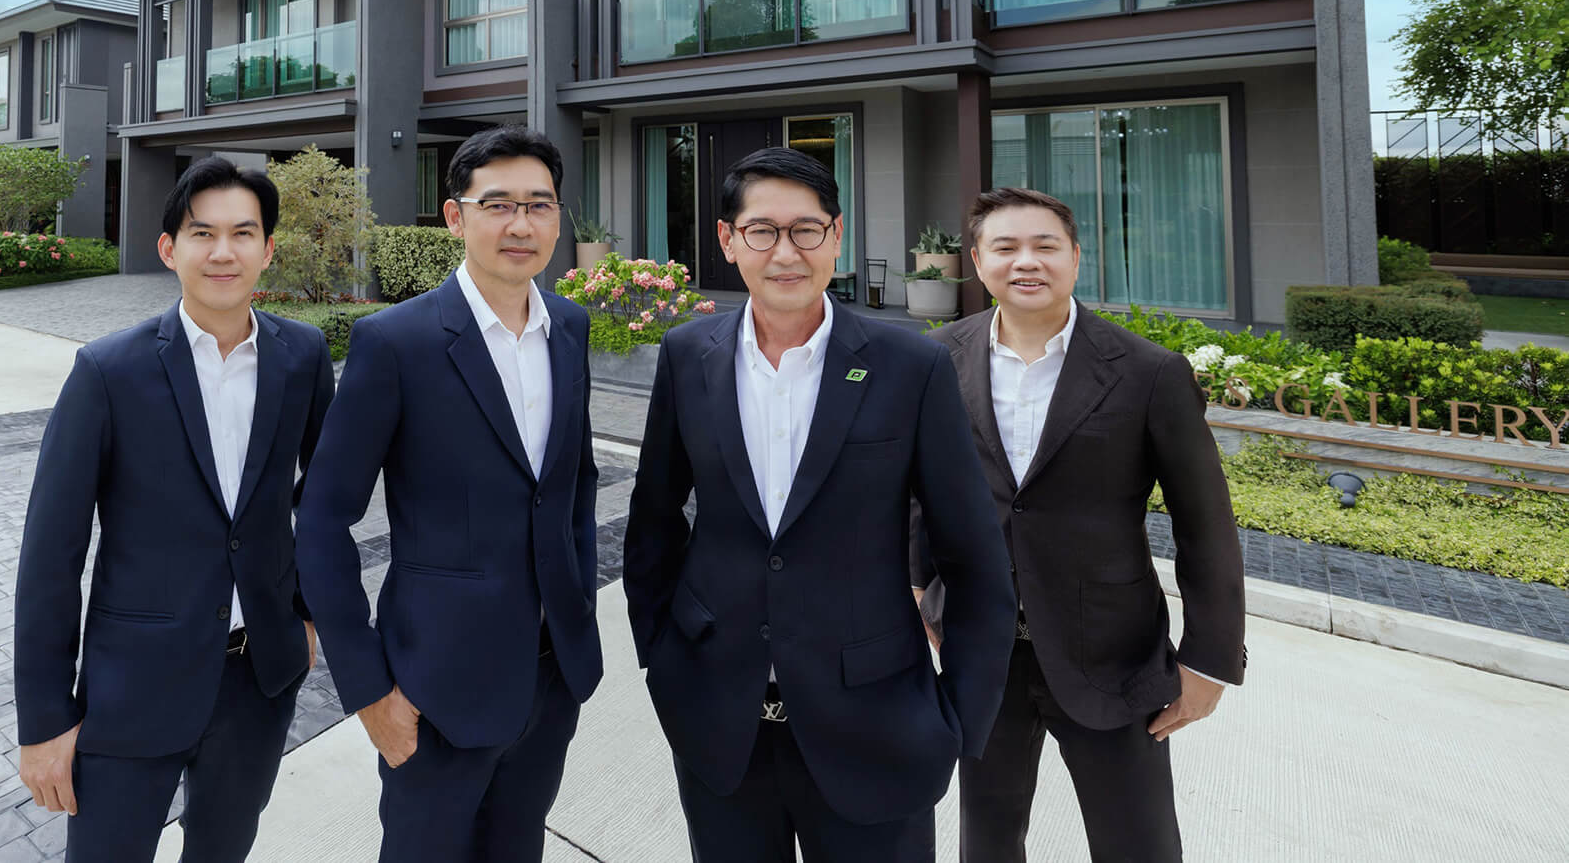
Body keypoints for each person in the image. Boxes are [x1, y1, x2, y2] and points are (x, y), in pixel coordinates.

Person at [624, 146, 1015, 863]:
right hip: (719, 725)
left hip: (877, 730)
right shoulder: (687, 355)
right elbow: (654, 521)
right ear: (727, 239)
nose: (786, 252)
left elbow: (973, 554)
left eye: (806, 229)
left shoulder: (912, 365)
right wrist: (664, 660)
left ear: (837, 236)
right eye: (762, 230)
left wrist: (958, 719)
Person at [13, 156, 335, 862]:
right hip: (134, 685)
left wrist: (307, 611)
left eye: (243, 233)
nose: (224, 252)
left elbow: (326, 495)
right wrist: (43, 720)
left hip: (257, 681)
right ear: (169, 249)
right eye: (202, 233)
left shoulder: (303, 354)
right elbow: (51, 553)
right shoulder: (108, 370)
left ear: (268, 249)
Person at [911, 186, 1246, 862]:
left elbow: (1205, 523)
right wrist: (920, 588)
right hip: (980, 651)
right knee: (987, 836)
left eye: (1045, 246)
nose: (1025, 261)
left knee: (1139, 843)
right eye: (1006, 247)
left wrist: (1210, 659)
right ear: (977, 260)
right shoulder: (934, 359)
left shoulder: (1149, 372)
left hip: (1114, 652)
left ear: (1075, 256)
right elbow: (918, 490)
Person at [295, 125, 602, 863]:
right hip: (434, 689)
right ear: (456, 216)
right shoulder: (396, 341)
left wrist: (579, 613)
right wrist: (369, 688)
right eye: (498, 204)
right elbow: (322, 518)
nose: (521, 224)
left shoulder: (569, 326)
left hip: (551, 678)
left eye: (539, 204)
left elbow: (576, 486)